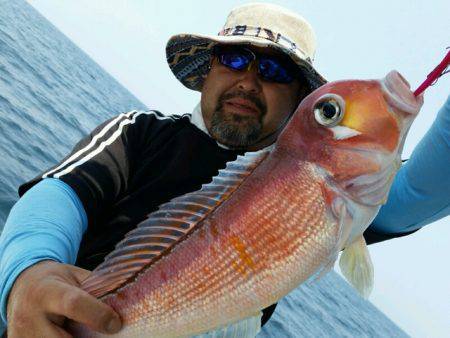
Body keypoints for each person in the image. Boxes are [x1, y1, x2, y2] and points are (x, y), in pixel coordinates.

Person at [0, 3, 448, 337]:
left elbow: (421, 193)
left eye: (273, 69)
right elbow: (60, 195)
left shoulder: (330, 184)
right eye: (234, 59)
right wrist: (28, 273)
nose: (248, 81)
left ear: (297, 98)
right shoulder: (140, 132)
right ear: (209, 70)